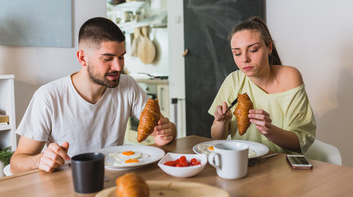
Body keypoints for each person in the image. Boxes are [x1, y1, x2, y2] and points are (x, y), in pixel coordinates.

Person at [11, 17, 177, 174]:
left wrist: (168, 132)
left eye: (121, 57)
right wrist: (40, 160)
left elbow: (161, 130)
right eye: (108, 58)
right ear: (83, 58)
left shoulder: (128, 85)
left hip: (115, 179)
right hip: (70, 184)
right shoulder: (48, 97)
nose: (118, 67)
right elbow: (16, 163)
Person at [209, 16, 316, 154]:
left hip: (283, 167)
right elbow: (217, 138)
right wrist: (221, 122)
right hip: (244, 164)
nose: (244, 59)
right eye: (237, 53)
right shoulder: (233, 80)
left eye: (253, 50)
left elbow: (301, 142)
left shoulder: (290, 77)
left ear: (269, 47)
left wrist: (270, 131)